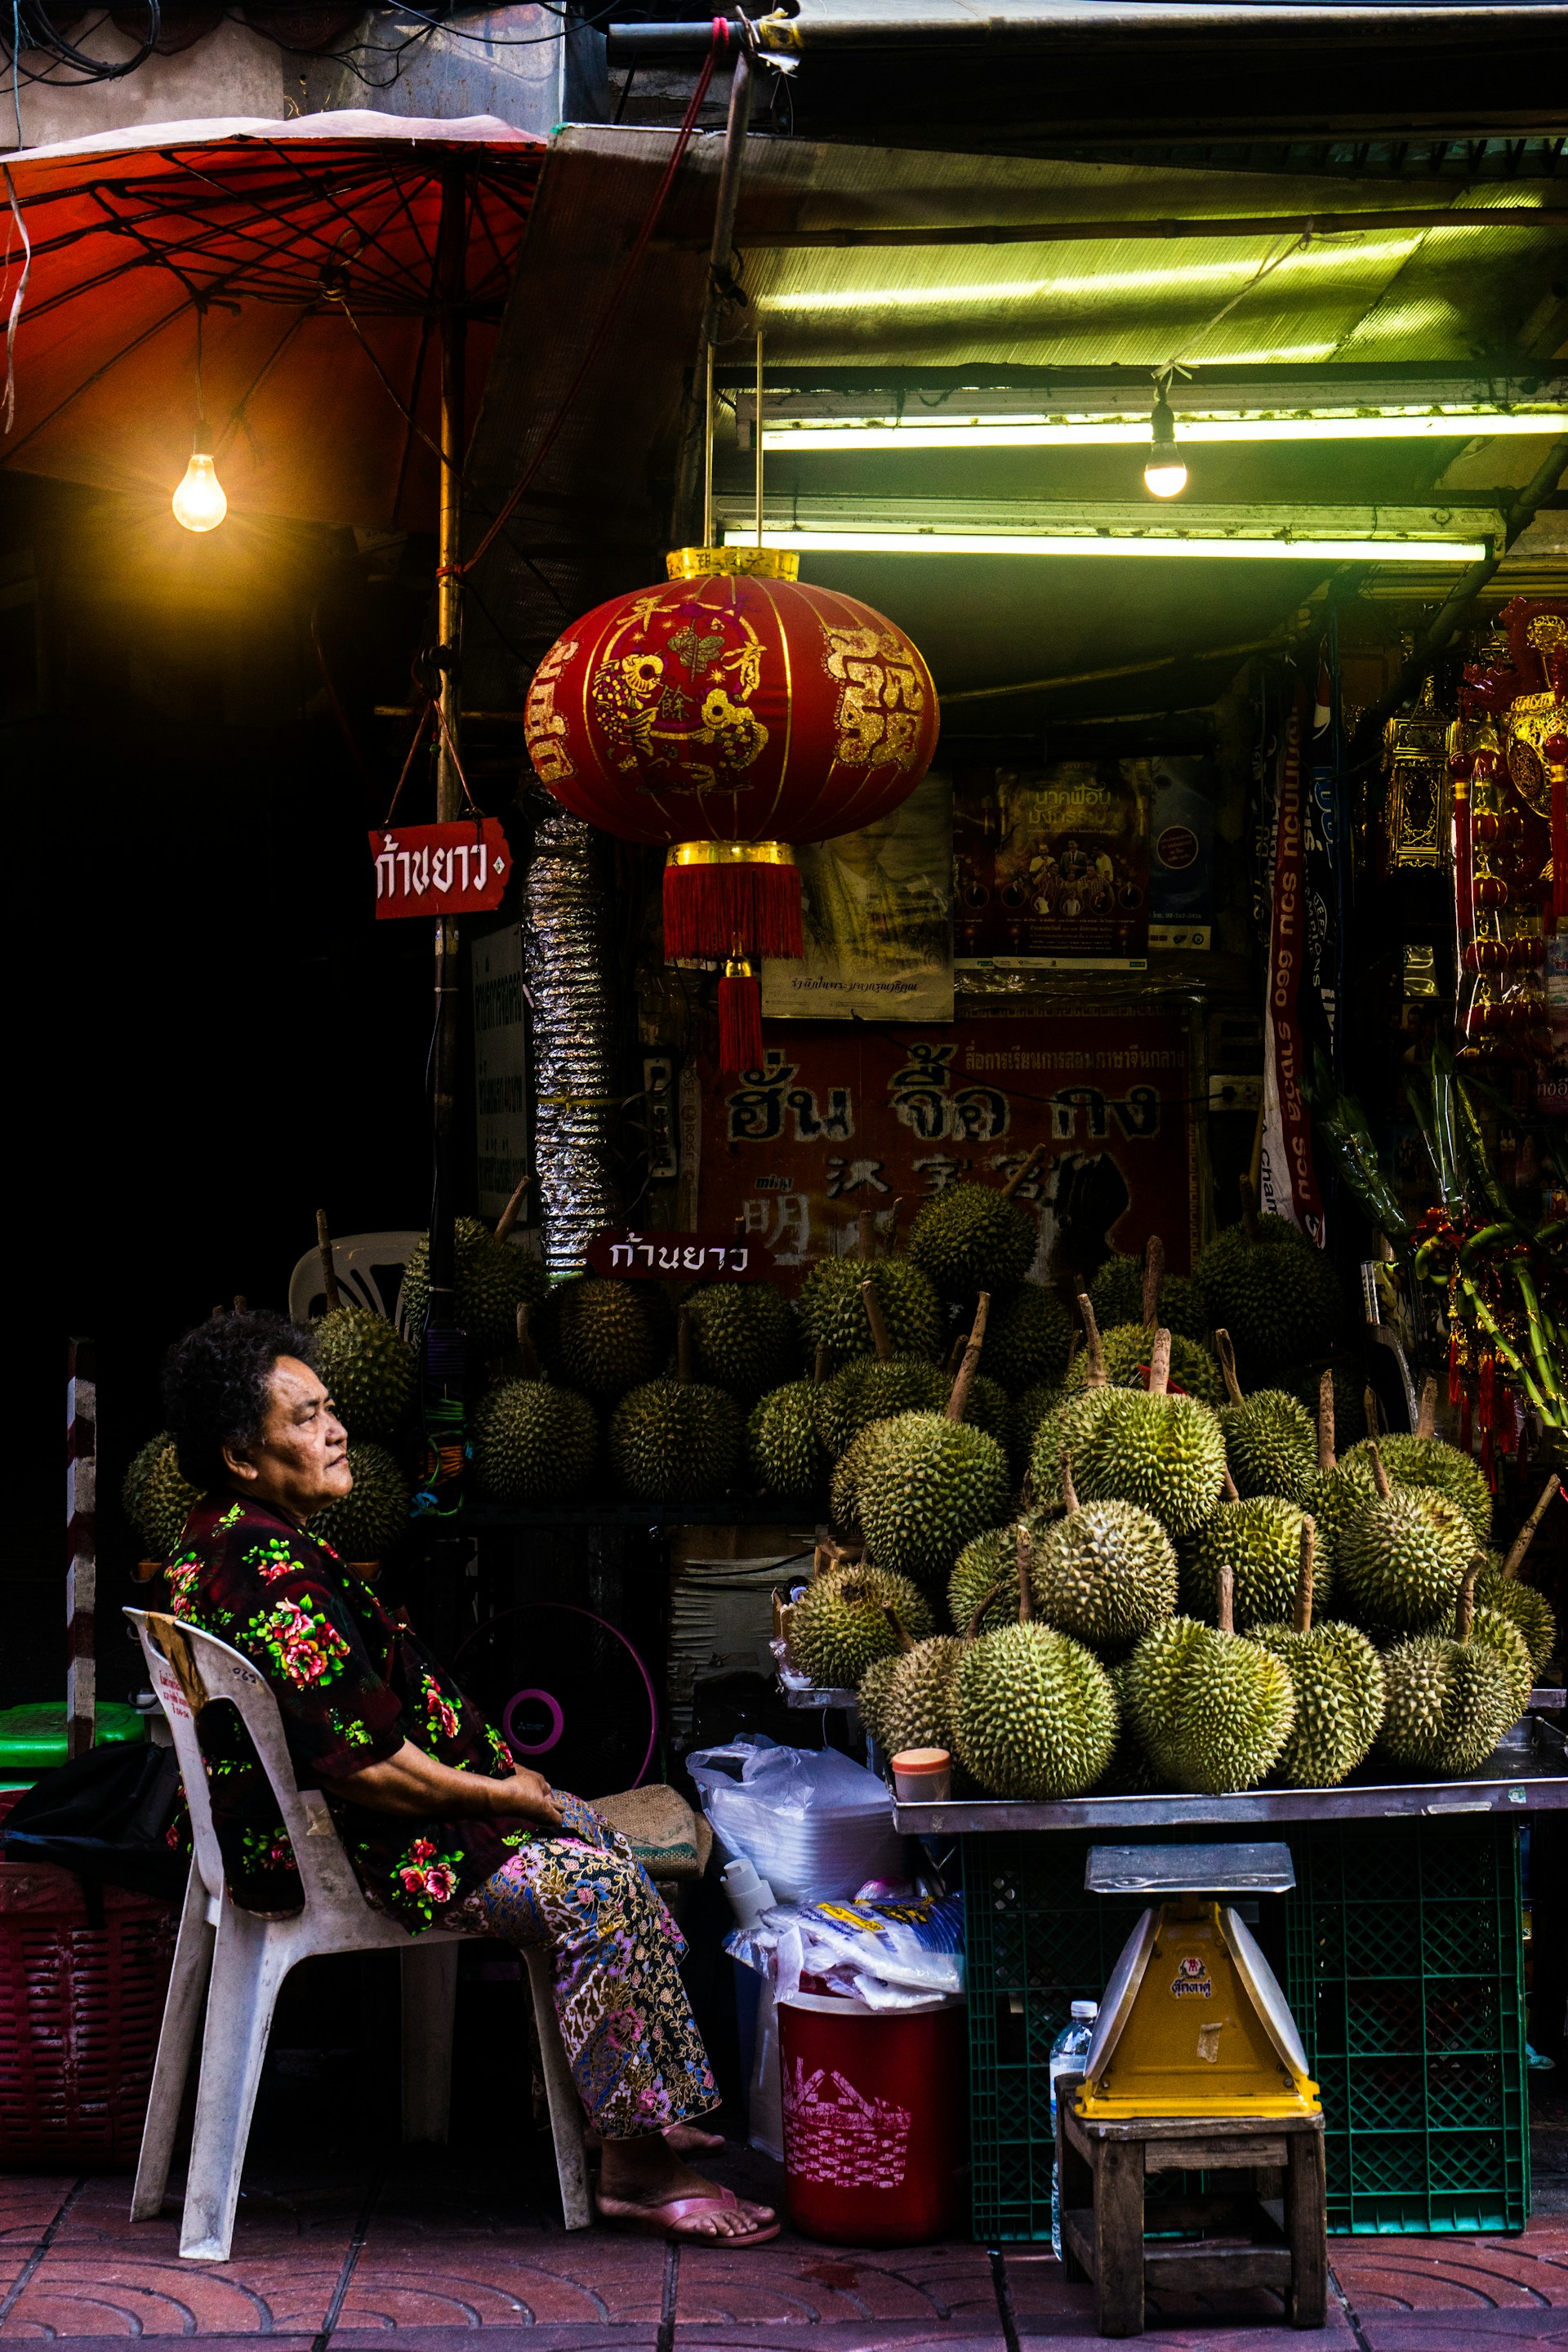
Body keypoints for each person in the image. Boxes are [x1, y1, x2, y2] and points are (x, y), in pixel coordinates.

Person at [158, 1310, 777, 2247]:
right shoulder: (269, 1571)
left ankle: (624, 2101)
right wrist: (502, 1794)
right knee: (597, 1887)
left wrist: (515, 1787)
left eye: (331, 1411)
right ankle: (637, 2167)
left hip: (334, 1824)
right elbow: (368, 1771)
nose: (336, 1432)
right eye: (307, 1419)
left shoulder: (222, 1536)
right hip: (357, 1847)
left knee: (596, 1831)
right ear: (243, 1457)